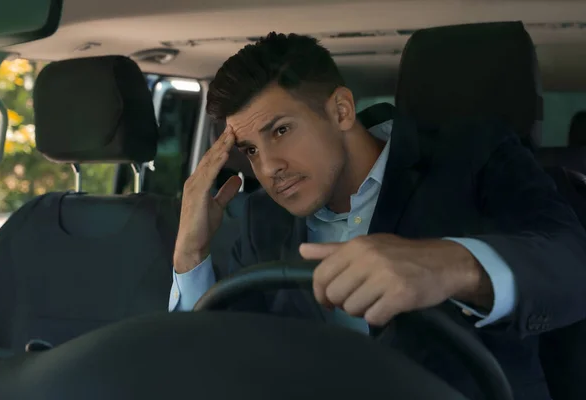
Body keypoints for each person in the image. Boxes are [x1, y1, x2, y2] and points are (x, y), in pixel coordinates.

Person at [169, 32, 586, 400]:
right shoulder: (264, 219)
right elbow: (220, 364)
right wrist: (191, 253)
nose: (269, 166)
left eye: (280, 130)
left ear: (342, 111)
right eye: (251, 151)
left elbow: (572, 262)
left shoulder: (474, 160)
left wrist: (453, 265)